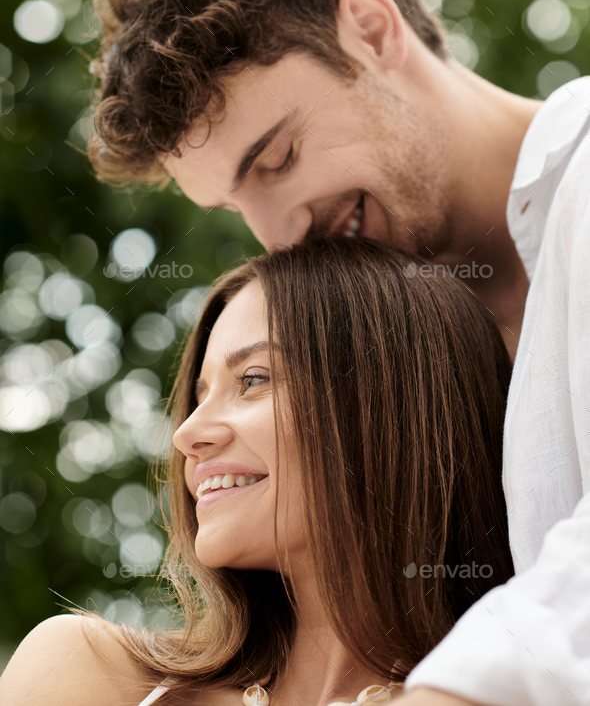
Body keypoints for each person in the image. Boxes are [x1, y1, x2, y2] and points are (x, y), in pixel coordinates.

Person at [84, 0, 590, 705]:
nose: (281, 236)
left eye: (277, 159)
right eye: (235, 206)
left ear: (371, 27)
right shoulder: (406, 352)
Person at [0, 237, 514, 706]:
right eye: (199, 396)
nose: (186, 434)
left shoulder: (511, 688)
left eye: (252, 379)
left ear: (396, 408)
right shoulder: (83, 671)